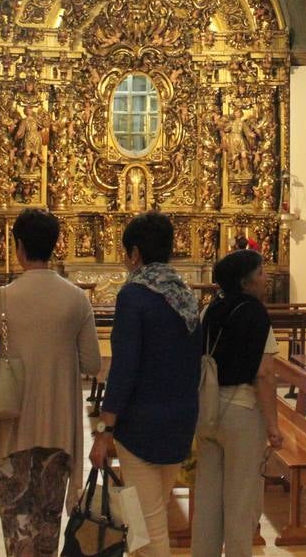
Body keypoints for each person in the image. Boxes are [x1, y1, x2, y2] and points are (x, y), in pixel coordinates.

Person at [0, 208, 101, 556]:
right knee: (46, 533)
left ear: (20, 246)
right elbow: (92, 362)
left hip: (10, 428)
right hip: (57, 430)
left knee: (18, 536)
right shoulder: (77, 298)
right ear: (54, 246)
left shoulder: (1, 299)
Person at [89, 212, 201, 557]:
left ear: (135, 253)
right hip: (181, 420)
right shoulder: (185, 295)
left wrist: (105, 427)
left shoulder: (134, 296)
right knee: (143, 523)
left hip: (141, 426)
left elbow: (123, 367)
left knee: (150, 529)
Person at [191, 249, 284, 557]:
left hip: (208, 410)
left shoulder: (210, 309)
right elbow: (265, 374)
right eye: (260, 273)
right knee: (241, 501)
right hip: (242, 411)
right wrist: (273, 425)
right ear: (245, 281)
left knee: (207, 498)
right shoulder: (255, 312)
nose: (266, 278)